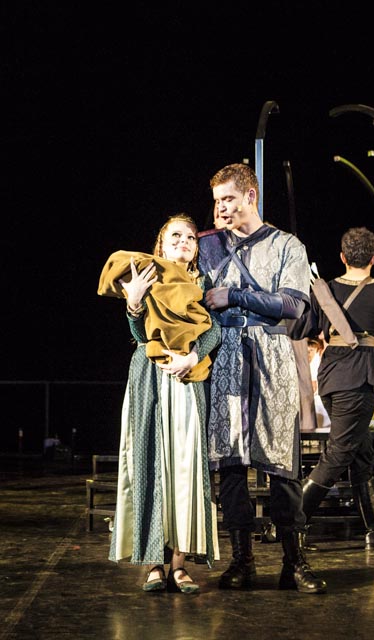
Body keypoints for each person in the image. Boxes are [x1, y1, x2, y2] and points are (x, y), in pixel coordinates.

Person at [197, 163, 326, 594]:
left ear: (250, 196)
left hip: (271, 361)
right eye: (217, 201)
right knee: (231, 466)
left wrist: (234, 295)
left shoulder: (287, 245)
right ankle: (242, 561)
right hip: (226, 362)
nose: (221, 208)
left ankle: (295, 563)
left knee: (282, 468)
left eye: (228, 199)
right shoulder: (209, 246)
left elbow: (292, 305)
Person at [97, 213, 221, 593]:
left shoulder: (203, 284)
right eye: (175, 236)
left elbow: (214, 329)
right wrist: (134, 303)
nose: (184, 241)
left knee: (185, 468)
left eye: (190, 237)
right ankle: (154, 563)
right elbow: (139, 335)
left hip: (186, 378)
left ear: (196, 248)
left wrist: (193, 356)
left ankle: (179, 565)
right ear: (162, 245)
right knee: (150, 463)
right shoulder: (148, 275)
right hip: (150, 377)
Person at [299, 226, 374, 550]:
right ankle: (290, 523)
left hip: (331, 377)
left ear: (342, 256)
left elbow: (309, 325)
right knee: (338, 454)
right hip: (357, 380)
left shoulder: (326, 289)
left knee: (361, 454)